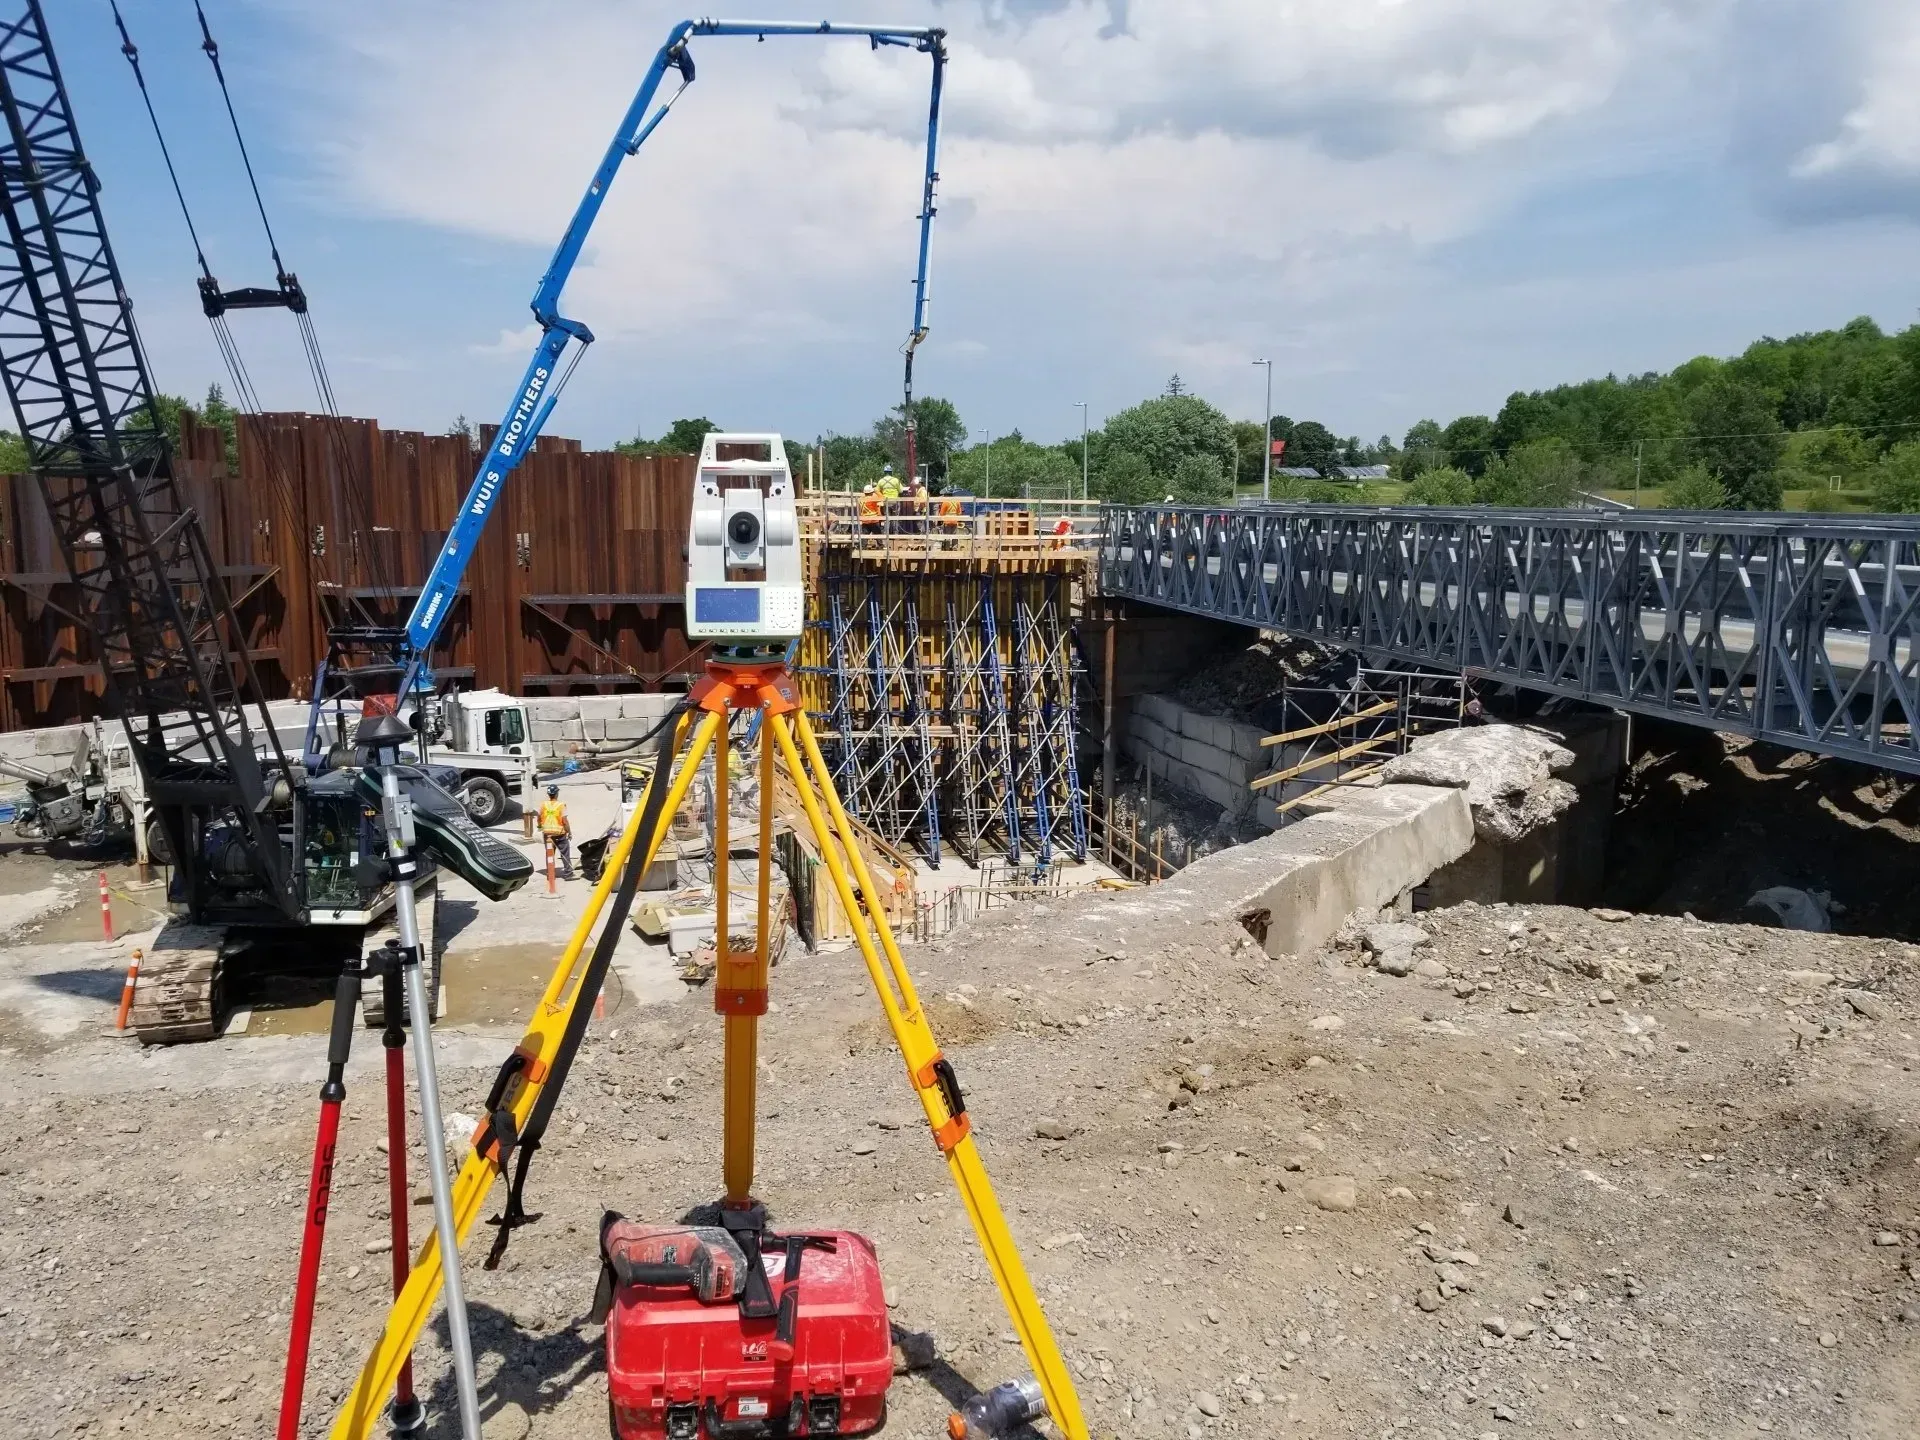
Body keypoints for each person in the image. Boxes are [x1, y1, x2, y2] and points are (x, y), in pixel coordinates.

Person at [537, 783, 574, 879]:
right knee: (564, 853)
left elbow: (539, 817)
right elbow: (565, 821)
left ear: (548, 794)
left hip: (547, 834)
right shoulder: (561, 805)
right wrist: (569, 832)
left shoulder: (543, 805)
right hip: (559, 834)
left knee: (550, 854)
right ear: (557, 794)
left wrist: (540, 827)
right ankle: (568, 874)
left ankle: (550, 874)